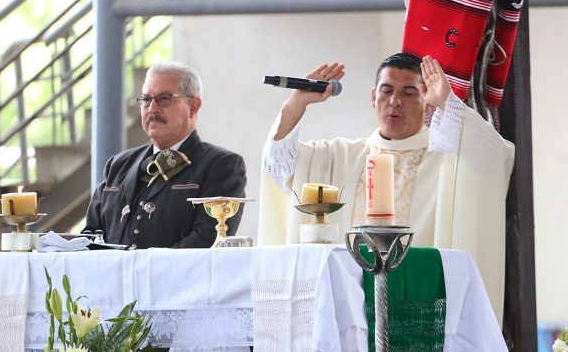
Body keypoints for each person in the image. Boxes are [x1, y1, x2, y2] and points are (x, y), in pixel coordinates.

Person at [258, 53, 514, 321]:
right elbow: (278, 164)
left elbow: (495, 157)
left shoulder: (446, 158)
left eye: (409, 92)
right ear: (373, 97)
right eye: (387, 91)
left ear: (426, 101)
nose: (395, 102)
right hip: (347, 308)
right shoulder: (340, 156)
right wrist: (298, 101)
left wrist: (448, 104)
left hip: (419, 309)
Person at [85, 61, 246, 249]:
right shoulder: (118, 165)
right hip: (113, 278)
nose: (152, 108)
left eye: (164, 98)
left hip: (177, 278)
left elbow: (207, 240)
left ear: (193, 106)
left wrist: (143, 268)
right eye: (146, 100)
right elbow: (91, 235)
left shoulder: (222, 165)